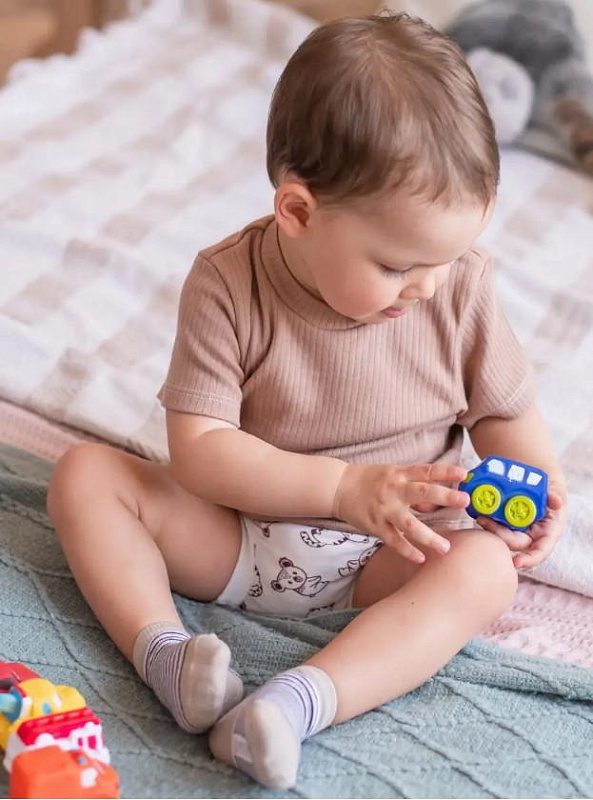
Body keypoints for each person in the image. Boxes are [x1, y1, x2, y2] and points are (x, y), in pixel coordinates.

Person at [46, 12, 568, 790]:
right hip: (235, 535)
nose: (426, 286)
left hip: (391, 555)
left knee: (485, 572)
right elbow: (201, 448)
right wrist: (341, 487)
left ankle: (299, 702)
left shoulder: (459, 287)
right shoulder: (227, 283)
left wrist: (535, 487)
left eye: (448, 256)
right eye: (396, 265)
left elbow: (502, 413)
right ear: (297, 212)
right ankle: (164, 654)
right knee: (86, 476)